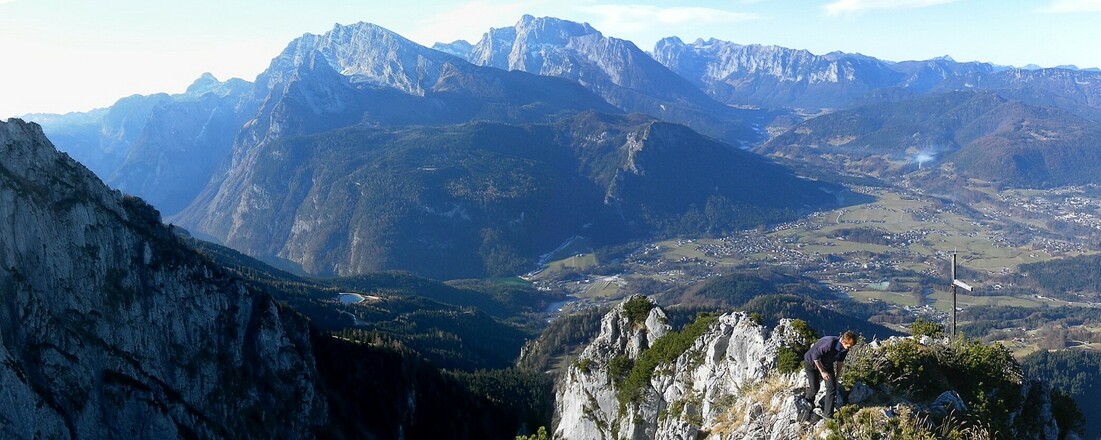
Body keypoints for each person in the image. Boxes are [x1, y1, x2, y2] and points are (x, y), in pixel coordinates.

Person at [803, 331, 857, 419]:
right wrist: (822, 372)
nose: (849, 348)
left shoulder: (844, 349)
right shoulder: (829, 343)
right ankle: (808, 402)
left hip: (827, 364)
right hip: (811, 363)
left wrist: (837, 376)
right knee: (815, 387)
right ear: (844, 342)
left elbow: (840, 362)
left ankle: (828, 416)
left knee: (832, 388)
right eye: (849, 346)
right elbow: (815, 356)